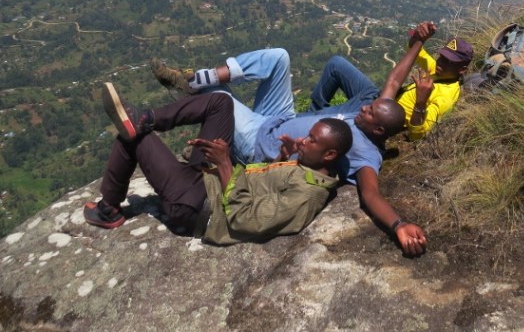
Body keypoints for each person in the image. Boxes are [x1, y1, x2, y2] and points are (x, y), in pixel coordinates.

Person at [151, 28, 439, 256]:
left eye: (369, 111)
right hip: (278, 116)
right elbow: (393, 80)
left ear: (378, 130)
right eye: (369, 106)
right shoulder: (377, 116)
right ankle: (196, 80)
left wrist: (399, 225)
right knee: (279, 57)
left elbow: (371, 195)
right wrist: (418, 42)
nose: (364, 107)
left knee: (219, 98)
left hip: (257, 141)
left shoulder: (365, 155)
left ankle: (171, 103)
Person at [83, 82, 352, 245]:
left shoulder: (308, 195)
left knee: (131, 139)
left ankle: (109, 210)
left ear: (329, 156)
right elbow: (267, 186)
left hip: (197, 205)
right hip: (208, 180)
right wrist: (284, 158)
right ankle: (147, 117)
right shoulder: (308, 169)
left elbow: (247, 220)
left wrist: (224, 164)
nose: (303, 141)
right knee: (220, 102)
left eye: (312, 141)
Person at [306, 22, 474, 140]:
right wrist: (418, 35)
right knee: (336, 64)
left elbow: (417, 134)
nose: (441, 62)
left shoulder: (446, 96)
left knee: (312, 119)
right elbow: (415, 50)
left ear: (462, 70)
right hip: (377, 96)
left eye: (449, 61)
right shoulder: (438, 69)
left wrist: (421, 103)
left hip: (378, 114)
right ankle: (315, 110)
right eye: (442, 57)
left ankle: (309, 121)